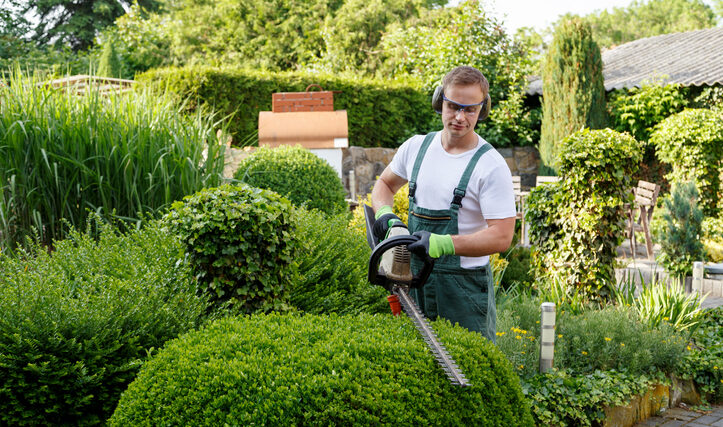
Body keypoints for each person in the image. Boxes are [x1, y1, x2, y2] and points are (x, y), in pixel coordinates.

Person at [370, 65, 516, 342]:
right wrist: (386, 216)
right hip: (413, 280)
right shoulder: (416, 148)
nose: (460, 117)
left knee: (471, 370)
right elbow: (385, 185)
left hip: (463, 290)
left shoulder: (490, 165)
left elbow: (502, 236)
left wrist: (443, 243)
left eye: (470, 109)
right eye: (453, 106)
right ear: (440, 102)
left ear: (482, 110)